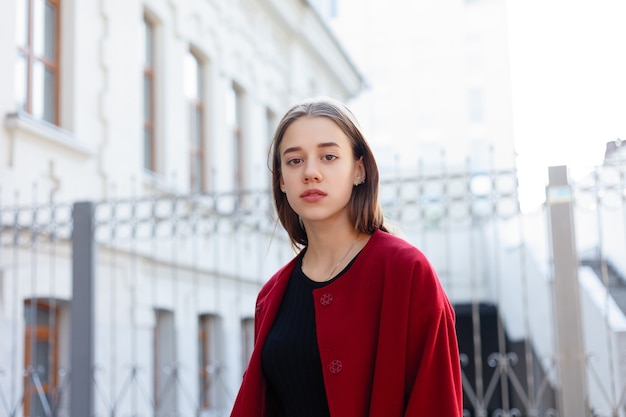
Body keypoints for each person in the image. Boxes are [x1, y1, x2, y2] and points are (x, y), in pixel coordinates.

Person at [230, 97, 462, 417]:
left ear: (359, 170)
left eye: (328, 156)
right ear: (281, 180)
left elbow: (436, 404)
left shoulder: (407, 272)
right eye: (295, 161)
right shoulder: (270, 295)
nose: (311, 173)